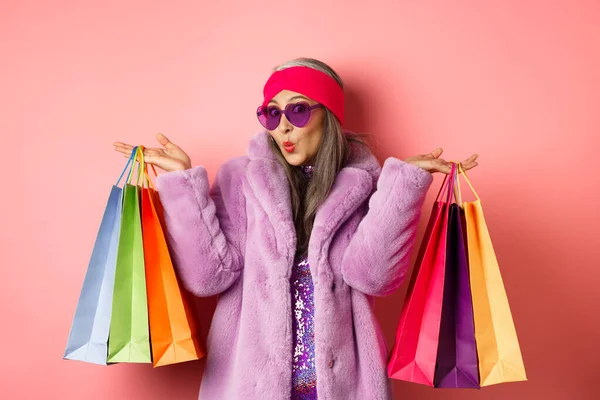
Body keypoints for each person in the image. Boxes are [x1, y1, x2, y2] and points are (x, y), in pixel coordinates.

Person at [113, 57, 478, 400]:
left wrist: (403, 187)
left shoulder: (364, 185)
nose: (283, 126)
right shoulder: (241, 181)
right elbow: (208, 278)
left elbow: (373, 278)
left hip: (344, 386)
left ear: (329, 115)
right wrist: (181, 185)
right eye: (271, 113)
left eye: (298, 110)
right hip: (250, 386)